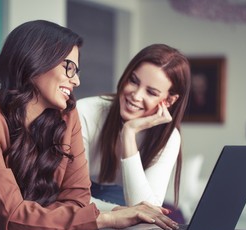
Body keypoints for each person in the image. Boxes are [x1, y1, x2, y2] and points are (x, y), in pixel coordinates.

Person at [0, 20, 178, 230]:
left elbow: (76, 201)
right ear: (35, 59)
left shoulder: (66, 116)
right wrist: (107, 218)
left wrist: (17, 224)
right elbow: (14, 216)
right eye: (69, 67)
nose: (76, 80)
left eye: (76, 70)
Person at [77, 44, 191, 214]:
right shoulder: (85, 111)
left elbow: (148, 209)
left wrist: (128, 134)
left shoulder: (168, 137)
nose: (136, 96)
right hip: (84, 205)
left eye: (151, 92)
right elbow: (72, 197)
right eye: (133, 81)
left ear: (169, 101)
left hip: (126, 206)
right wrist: (123, 214)